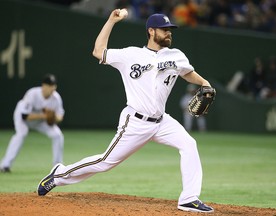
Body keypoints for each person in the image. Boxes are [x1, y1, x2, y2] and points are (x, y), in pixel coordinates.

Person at [37, 10, 214, 213]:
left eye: (170, 30)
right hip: (136, 122)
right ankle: (59, 175)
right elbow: (98, 51)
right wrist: (112, 20)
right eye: (164, 30)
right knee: (105, 162)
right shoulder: (130, 55)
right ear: (151, 31)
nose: (168, 33)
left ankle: (189, 198)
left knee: (189, 144)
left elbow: (187, 72)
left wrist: (204, 83)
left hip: (162, 122)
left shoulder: (176, 56)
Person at [0, 74, 65, 173]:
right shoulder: (33, 94)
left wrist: (54, 117)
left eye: (53, 85)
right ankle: (5, 165)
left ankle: (57, 166)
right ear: (44, 86)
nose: (52, 87)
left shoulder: (56, 98)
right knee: (21, 134)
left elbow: (60, 116)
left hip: (39, 121)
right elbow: (24, 116)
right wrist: (45, 116)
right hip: (23, 119)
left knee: (57, 135)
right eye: (50, 85)